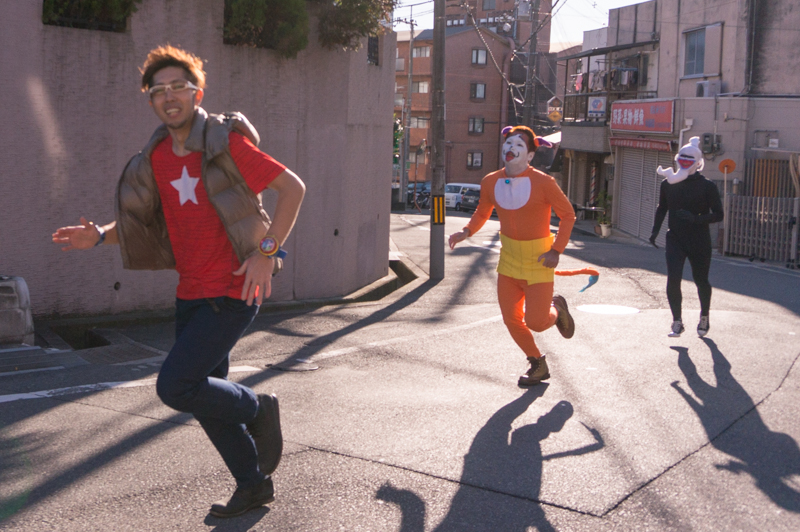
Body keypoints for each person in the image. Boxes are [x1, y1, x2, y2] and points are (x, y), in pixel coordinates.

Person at [52, 45, 306, 518]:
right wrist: (100, 235)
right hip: (189, 294)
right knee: (207, 398)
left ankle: (258, 408)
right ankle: (253, 485)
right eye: (158, 90)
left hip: (232, 289)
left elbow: (293, 188)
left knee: (177, 386)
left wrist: (267, 252)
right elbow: (142, 225)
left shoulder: (226, 145)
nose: (169, 97)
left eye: (178, 87)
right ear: (150, 100)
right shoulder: (155, 159)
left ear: (197, 94)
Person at [449, 126, 577, 386]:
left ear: (530, 155)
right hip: (508, 261)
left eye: (519, 145)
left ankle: (557, 308)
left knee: (537, 322)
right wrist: (466, 231)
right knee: (512, 320)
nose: (511, 148)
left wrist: (556, 250)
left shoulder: (544, 182)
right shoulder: (490, 181)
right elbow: (483, 211)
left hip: (539, 260)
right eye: (508, 143)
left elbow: (568, 215)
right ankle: (537, 363)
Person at [650, 136, 723, 337]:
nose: (684, 162)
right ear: (677, 159)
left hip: (699, 239)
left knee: (701, 280)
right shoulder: (668, 184)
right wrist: (655, 230)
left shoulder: (707, 186)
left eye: (689, 159)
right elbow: (662, 207)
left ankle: (704, 316)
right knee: (673, 279)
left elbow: (719, 214)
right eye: (681, 158)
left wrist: (696, 218)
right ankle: (677, 321)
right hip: (675, 238)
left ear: (698, 163)